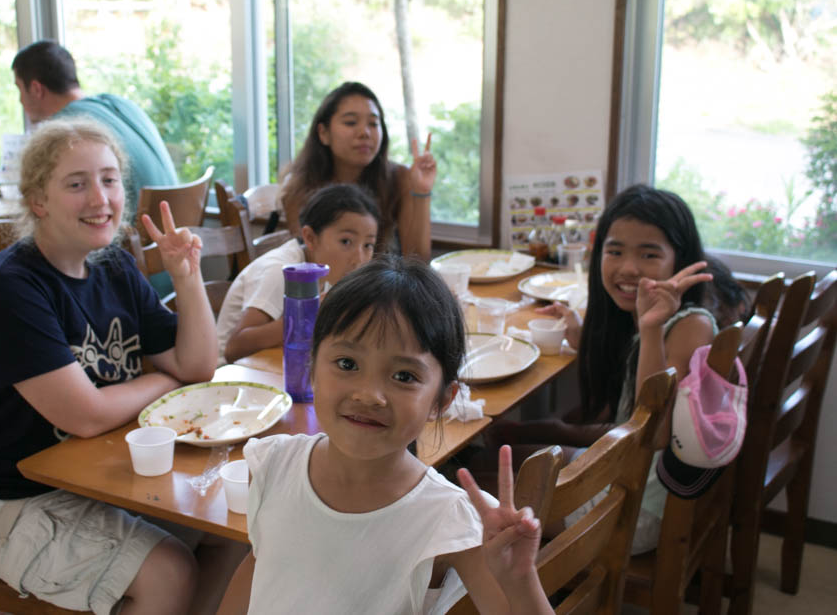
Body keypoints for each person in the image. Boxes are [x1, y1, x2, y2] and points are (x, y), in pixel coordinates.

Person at [0, 118, 225, 614]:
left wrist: (187, 275)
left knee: (229, 533)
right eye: (77, 184)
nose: (100, 199)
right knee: (170, 573)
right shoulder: (8, 287)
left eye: (110, 179)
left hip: (88, 480)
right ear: (38, 200)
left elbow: (198, 365)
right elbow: (85, 415)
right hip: (5, 505)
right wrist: (161, 380)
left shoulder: (112, 265)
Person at [215, 255, 554, 615]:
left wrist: (520, 580)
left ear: (441, 400)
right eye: (347, 364)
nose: (369, 395)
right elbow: (260, 566)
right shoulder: (272, 464)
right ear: (312, 369)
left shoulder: (449, 516)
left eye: (404, 376)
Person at [479, 184, 716, 554]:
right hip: (627, 477)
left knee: (468, 494)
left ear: (679, 260)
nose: (628, 268)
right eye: (615, 250)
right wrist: (580, 335)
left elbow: (652, 434)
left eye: (649, 254)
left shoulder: (690, 327)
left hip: (635, 510)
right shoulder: (652, 321)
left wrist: (651, 328)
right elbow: (633, 390)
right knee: (493, 463)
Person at [217, 183, 379, 364]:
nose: (359, 258)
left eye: (368, 245)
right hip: (228, 377)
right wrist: (305, 316)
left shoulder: (324, 270)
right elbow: (234, 348)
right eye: (346, 241)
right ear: (310, 237)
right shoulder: (281, 272)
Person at [11, 40, 178, 215]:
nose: (20, 100)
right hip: (173, 225)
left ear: (37, 89)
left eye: (19, 89)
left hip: (130, 233)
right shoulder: (117, 103)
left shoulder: (67, 132)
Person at [281, 82, 437, 261]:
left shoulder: (400, 178)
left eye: (373, 123)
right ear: (323, 132)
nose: (364, 132)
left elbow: (418, 261)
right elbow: (308, 262)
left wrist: (421, 191)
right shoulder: (299, 187)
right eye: (350, 122)